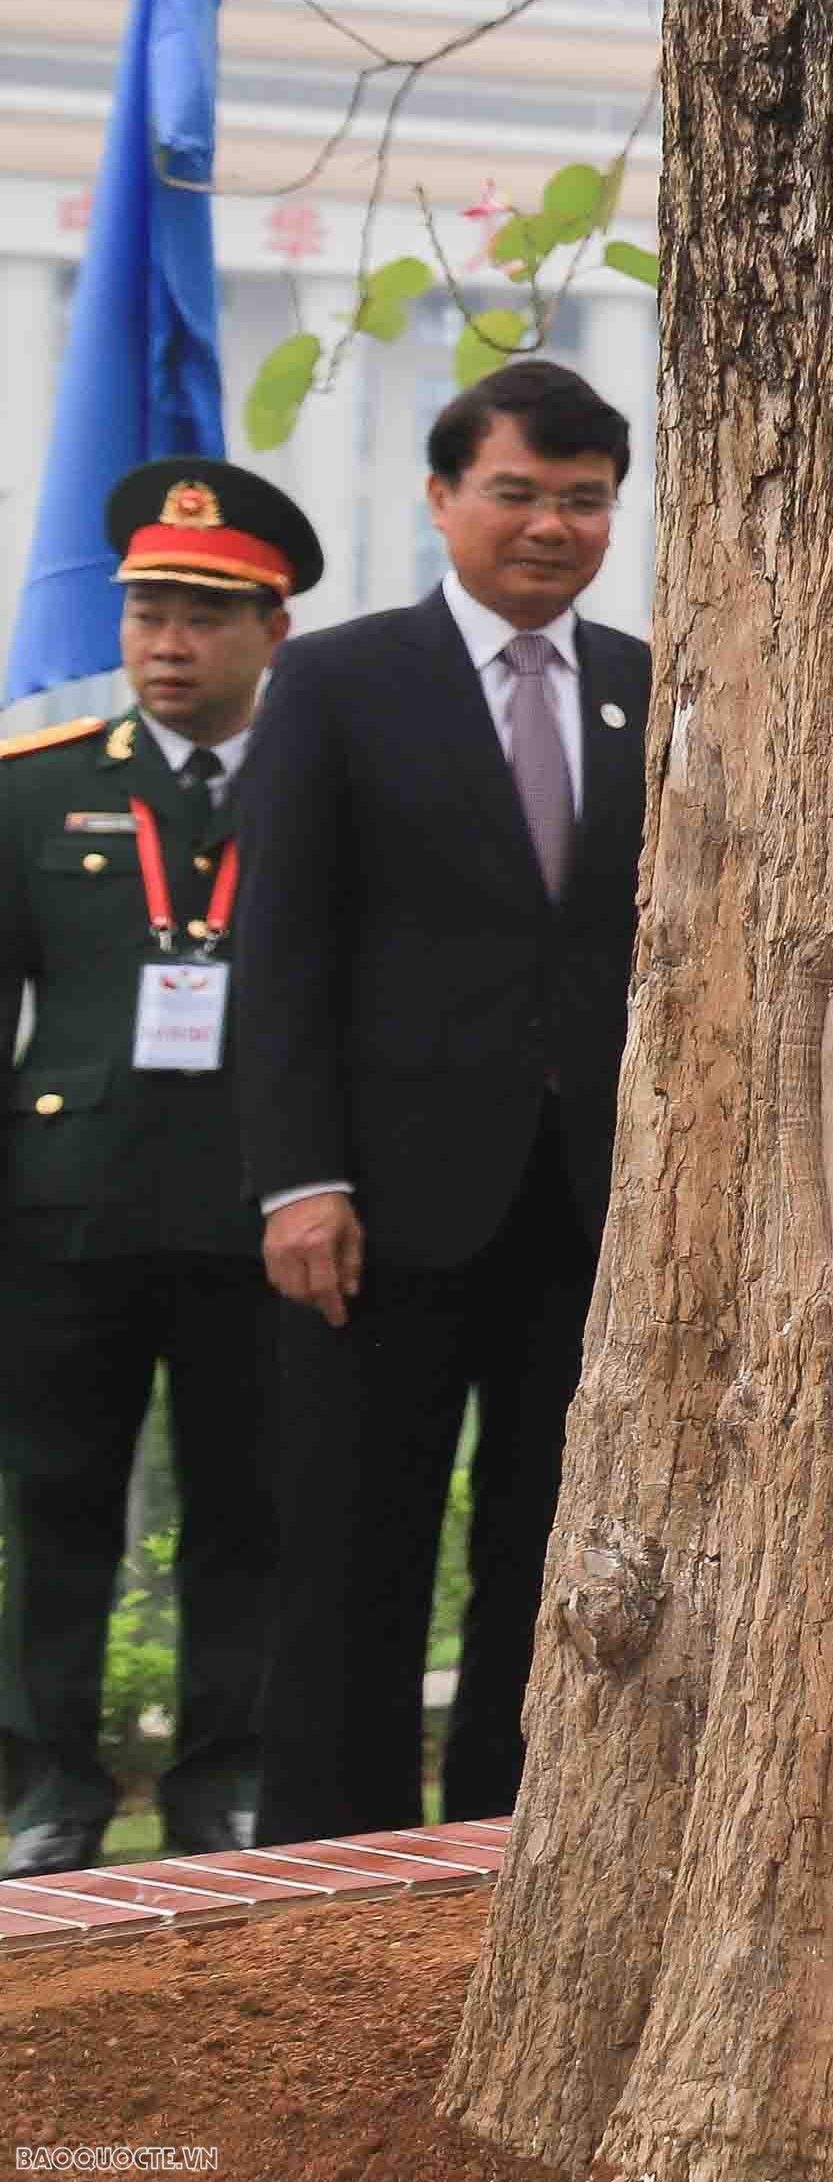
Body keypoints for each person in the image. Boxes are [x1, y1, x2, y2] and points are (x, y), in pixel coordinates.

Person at [235, 360, 650, 1841]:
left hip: (590, 1204)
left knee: (552, 1550)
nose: (551, 526)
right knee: (356, 1548)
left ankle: (512, 1836)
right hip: (379, 1206)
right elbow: (279, 947)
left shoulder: (652, 686)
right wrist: (299, 1179)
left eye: (584, 500)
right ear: (441, 496)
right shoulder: (340, 682)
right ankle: (327, 1860)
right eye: (517, 493)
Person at [0, 463, 321, 1878]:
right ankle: (51, 1788)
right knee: (56, 1506)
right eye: (147, 612)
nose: (168, 643)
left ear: (272, 630)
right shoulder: (40, 788)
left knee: (252, 1510)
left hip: (264, 1209)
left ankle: (225, 1779)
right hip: (71, 1208)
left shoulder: (321, 787)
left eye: (203, 614)